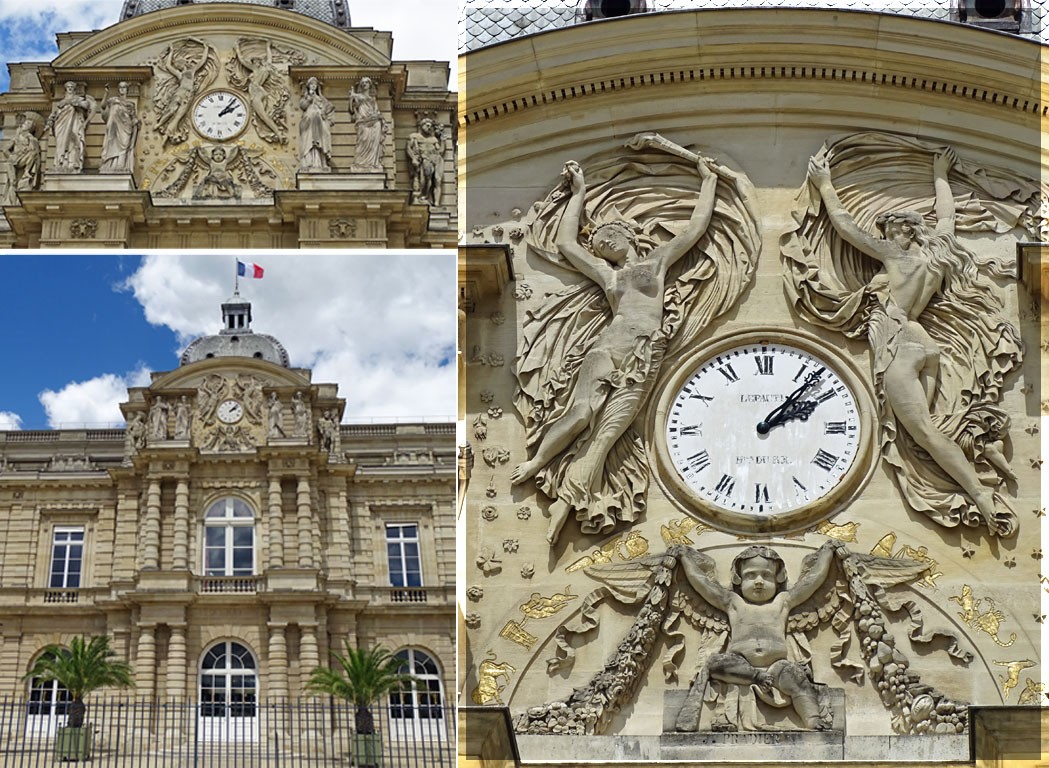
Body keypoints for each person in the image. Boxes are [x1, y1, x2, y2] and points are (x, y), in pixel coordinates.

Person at [511, 158, 718, 545]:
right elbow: (566, 244)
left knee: (608, 433)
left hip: (645, 351)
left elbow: (695, 227)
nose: (603, 245)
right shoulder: (610, 275)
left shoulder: (657, 263)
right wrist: (578, 193)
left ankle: (568, 499)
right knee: (581, 412)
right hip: (609, 344)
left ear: (629, 236)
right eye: (600, 243)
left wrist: (707, 181)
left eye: (609, 238)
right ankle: (539, 461)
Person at [808, 150, 1013, 536]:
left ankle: (981, 496)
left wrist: (825, 185)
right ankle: (975, 462)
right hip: (924, 345)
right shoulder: (937, 254)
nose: (883, 237)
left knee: (924, 434)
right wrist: (940, 174)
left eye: (888, 231)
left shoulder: (896, 258)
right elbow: (947, 216)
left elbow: (846, 227)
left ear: (903, 231)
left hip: (900, 342)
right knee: (928, 432)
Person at [675, 543, 837, 731]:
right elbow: (702, 584)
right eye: (751, 575)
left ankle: (812, 719)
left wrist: (826, 554)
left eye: (766, 576)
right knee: (715, 663)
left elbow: (813, 581)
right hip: (740, 663)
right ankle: (756, 676)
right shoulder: (733, 602)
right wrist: (685, 559)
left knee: (798, 680)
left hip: (777, 666)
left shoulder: (782, 602)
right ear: (738, 579)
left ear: (778, 579)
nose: (759, 581)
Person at [45, 81, 93, 173]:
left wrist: (74, 102)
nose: (70, 88)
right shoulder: (61, 103)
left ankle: (73, 163)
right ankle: (61, 163)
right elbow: (56, 114)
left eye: (71, 86)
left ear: (74, 89)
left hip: (74, 124)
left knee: (74, 142)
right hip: (61, 125)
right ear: (66, 89)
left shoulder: (77, 99)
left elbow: (86, 105)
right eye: (68, 87)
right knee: (61, 143)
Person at [1, 113, 42, 202]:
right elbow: (5, 149)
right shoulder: (16, 138)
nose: (25, 125)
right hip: (12, 162)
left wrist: (31, 140)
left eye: (28, 124)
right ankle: (11, 202)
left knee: (33, 153)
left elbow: (35, 152)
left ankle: (27, 171)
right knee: (13, 182)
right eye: (26, 123)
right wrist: (11, 156)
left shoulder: (32, 139)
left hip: (23, 160)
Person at [99, 82, 139, 174]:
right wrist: (106, 93)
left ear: (127, 90)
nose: (122, 89)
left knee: (124, 145)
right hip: (114, 125)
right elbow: (103, 106)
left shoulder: (130, 104)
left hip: (126, 127)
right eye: (120, 87)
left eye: (124, 87)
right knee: (112, 141)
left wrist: (136, 122)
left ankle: (120, 164)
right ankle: (111, 164)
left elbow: (133, 117)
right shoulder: (113, 100)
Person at [348, 77, 386, 170]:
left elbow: (376, 111)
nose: (365, 84)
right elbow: (352, 109)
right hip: (363, 122)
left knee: (374, 142)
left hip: (374, 122)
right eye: (363, 83)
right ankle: (360, 163)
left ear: (370, 85)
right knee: (362, 140)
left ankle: (372, 163)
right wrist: (351, 97)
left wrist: (378, 116)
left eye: (366, 82)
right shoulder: (357, 96)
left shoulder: (372, 99)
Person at [298, 77, 334, 172]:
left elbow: (330, 107)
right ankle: (309, 162)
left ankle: (321, 162)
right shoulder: (306, 97)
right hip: (309, 121)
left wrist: (324, 113)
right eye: (311, 84)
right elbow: (303, 105)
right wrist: (310, 98)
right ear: (308, 86)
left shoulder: (321, 99)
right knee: (309, 141)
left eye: (315, 84)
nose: (313, 86)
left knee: (321, 142)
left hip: (319, 122)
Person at [406, 116, 443, 205]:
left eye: (430, 126)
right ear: (421, 125)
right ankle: (421, 195)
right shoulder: (414, 137)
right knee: (423, 179)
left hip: (433, 160)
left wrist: (442, 139)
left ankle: (427, 196)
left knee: (432, 180)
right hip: (422, 160)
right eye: (427, 125)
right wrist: (413, 158)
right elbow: (408, 148)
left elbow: (440, 151)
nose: (429, 127)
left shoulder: (433, 139)